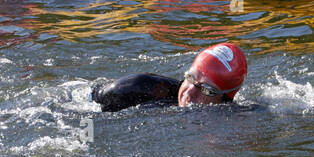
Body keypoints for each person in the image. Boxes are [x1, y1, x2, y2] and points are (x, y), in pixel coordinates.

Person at [93, 43, 248, 111]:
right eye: (190, 77)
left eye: (206, 89)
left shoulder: (231, 118)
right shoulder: (137, 88)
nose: (189, 92)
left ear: (226, 99)